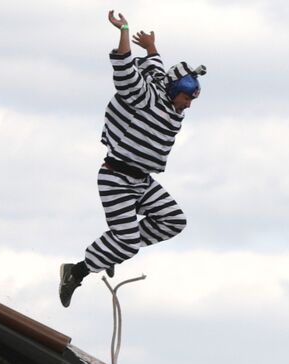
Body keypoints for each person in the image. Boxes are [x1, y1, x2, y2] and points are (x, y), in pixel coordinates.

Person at [59, 11, 206, 307]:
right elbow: (125, 67)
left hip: (142, 182)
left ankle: (112, 249)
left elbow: (155, 66)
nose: (188, 106)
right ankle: (75, 271)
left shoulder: (164, 89)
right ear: (176, 91)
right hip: (116, 179)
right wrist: (124, 30)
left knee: (173, 220)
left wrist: (151, 47)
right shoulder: (143, 96)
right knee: (126, 242)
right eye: (187, 99)